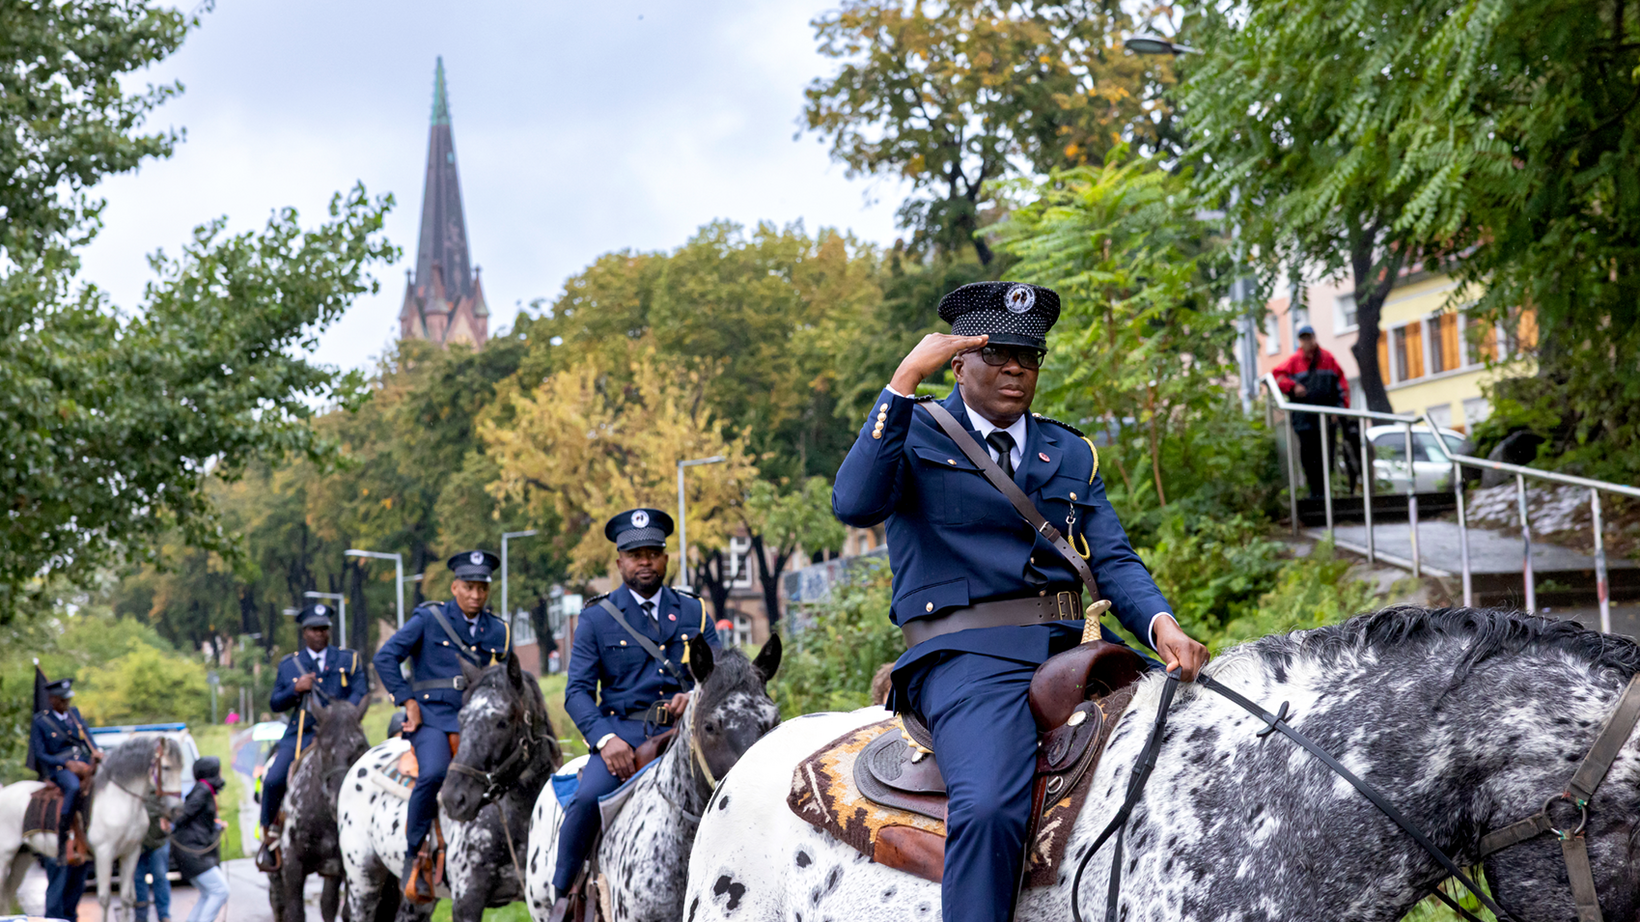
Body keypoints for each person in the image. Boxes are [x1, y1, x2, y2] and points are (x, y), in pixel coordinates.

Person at [831, 281, 1211, 922]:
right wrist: (901, 383)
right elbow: (855, 502)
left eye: (1029, 357)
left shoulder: (1067, 450)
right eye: (1001, 353)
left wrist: (1163, 625)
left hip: (1077, 648)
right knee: (988, 806)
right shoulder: (913, 432)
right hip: (967, 658)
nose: (1016, 368)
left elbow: (1112, 558)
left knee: (1196, 739)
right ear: (958, 362)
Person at [547, 509, 721, 922]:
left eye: (653, 552)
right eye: (634, 553)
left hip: (687, 733)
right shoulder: (595, 618)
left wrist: (693, 693)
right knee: (587, 798)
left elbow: (720, 674)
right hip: (624, 733)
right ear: (620, 562)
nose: (645, 561)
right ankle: (563, 895)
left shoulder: (693, 612)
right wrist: (606, 740)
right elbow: (577, 693)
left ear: (665, 559)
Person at [374, 550, 512, 901]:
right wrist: (407, 701)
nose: (476, 595)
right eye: (469, 587)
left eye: (482, 588)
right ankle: (413, 855)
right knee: (434, 772)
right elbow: (385, 657)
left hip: (476, 722)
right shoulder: (428, 619)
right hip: (433, 719)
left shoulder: (499, 630)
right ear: (455, 587)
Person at [256, 602, 368, 871]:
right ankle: (270, 834)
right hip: (302, 734)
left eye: (323, 629)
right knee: (272, 779)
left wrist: (343, 714)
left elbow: (360, 691)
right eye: (313, 630)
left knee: (371, 773)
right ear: (304, 632)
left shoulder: (347, 660)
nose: (319, 634)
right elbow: (275, 703)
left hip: (341, 733)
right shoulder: (289, 664)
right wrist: (296, 688)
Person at [1272, 324, 1352, 498]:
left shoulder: (1328, 359)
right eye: (1304, 338)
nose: (1307, 341)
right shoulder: (1293, 361)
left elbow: (1342, 386)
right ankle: (1314, 493)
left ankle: (1324, 494)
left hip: (1326, 420)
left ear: (1314, 338)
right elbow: (1276, 376)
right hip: (1304, 420)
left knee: (1327, 456)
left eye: (1309, 337)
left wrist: (1338, 410)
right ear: (1300, 341)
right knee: (1308, 457)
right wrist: (1292, 386)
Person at [29, 677, 101, 867]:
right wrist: (65, 762)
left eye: (67, 699)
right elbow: (41, 754)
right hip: (60, 768)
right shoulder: (41, 721)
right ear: (52, 700)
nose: (66, 703)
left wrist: (96, 751)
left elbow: (88, 738)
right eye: (62, 700)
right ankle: (63, 839)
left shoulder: (74, 715)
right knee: (73, 787)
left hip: (83, 762)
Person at [172, 756, 228, 922]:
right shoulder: (203, 790)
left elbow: (197, 817)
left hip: (190, 850)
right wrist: (171, 824)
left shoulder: (203, 789)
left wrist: (216, 825)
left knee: (207, 893)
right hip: (192, 851)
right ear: (211, 771)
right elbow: (186, 813)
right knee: (221, 890)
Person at [134, 790, 174, 922]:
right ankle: (141, 917)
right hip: (137, 843)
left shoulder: (159, 787)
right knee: (138, 879)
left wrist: (167, 817)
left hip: (158, 840)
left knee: (160, 876)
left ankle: (164, 915)